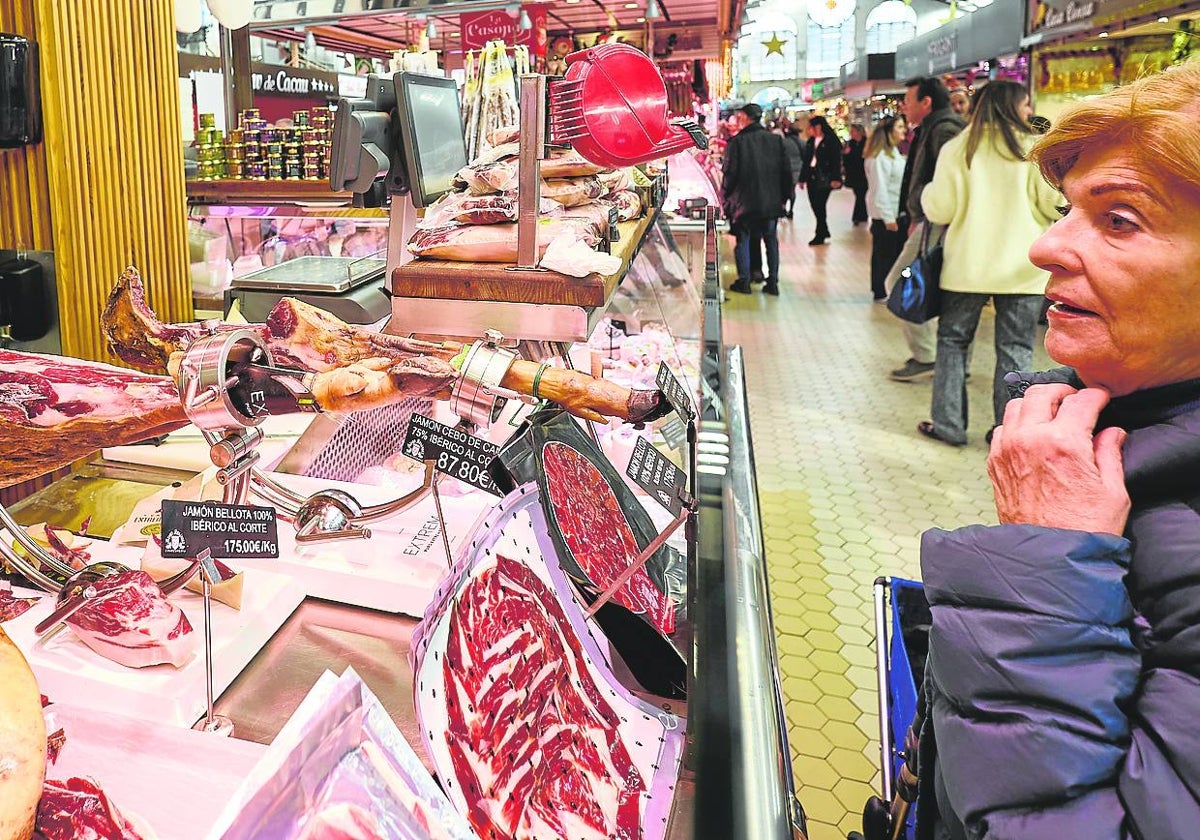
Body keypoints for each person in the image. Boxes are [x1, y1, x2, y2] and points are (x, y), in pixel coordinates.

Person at [916, 60, 1200, 840]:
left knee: (955, 351)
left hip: (968, 270)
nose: (1048, 245)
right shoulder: (1134, 422)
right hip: (1009, 295)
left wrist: (1047, 557)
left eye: (1120, 221)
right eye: (1068, 208)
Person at [915, 80, 1059, 446]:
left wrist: (928, 193)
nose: (1029, 112)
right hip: (1021, 270)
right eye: (1026, 105)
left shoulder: (959, 148)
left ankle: (948, 425)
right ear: (1012, 107)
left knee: (952, 342)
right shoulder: (1032, 148)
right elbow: (1050, 204)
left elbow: (940, 208)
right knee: (1016, 349)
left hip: (966, 268)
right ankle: (1006, 429)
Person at [887, 77, 966, 381]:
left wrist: (926, 210)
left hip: (939, 219)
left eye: (908, 100)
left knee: (900, 279)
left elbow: (950, 180)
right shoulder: (933, 128)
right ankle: (935, 355)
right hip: (931, 218)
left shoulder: (944, 130)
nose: (904, 107)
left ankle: (927, 354)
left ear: (926, 102)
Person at [721, 103, 793, 296]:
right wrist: (786, 197)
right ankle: (773, 282)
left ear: (745, 118)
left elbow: (730, 175)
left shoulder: (736, 143)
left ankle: (744, 281)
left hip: (744, 201)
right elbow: (786, 172)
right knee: (771, 241)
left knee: (742, 239)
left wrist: (725, 198)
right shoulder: (775, 141)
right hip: (771, 201)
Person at [864, 115, 908, 302]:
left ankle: (892, 288)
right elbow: (879, 189)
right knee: (884, 255)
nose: (904, 130)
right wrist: (888, 218)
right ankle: (881, 289)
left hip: (897, 212)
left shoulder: (895, 154)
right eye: (899, 127)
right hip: (886, 216)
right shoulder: (879, 158)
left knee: (895, 254)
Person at [798, 116, 844, 246]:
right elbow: (806, 161)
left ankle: (820, 233)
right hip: (811, 176)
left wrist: (836, 178)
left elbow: (836, 161)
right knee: (815, 205)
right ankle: (823, 230)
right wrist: (802, 178)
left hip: (825, 177)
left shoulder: (831, 141)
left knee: (820, 205)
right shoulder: (811, 141)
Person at [843, 123, 869, 225]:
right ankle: (862, 215)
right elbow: (846, 159)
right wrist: (846, 154)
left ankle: (857, 216)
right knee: (859, 194)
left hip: (864, 173)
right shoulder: (850, 144)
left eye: (853, 131)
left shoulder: (866, 143)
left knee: (860, 194)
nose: (851, 133)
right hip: (854, 173)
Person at [783, 125, 805, 219]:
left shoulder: (783, 142)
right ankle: (791, 209)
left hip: (785, 169)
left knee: (784, 189)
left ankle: (783, 207)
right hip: (798, 169)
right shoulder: (802, 142)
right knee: (792, 189)